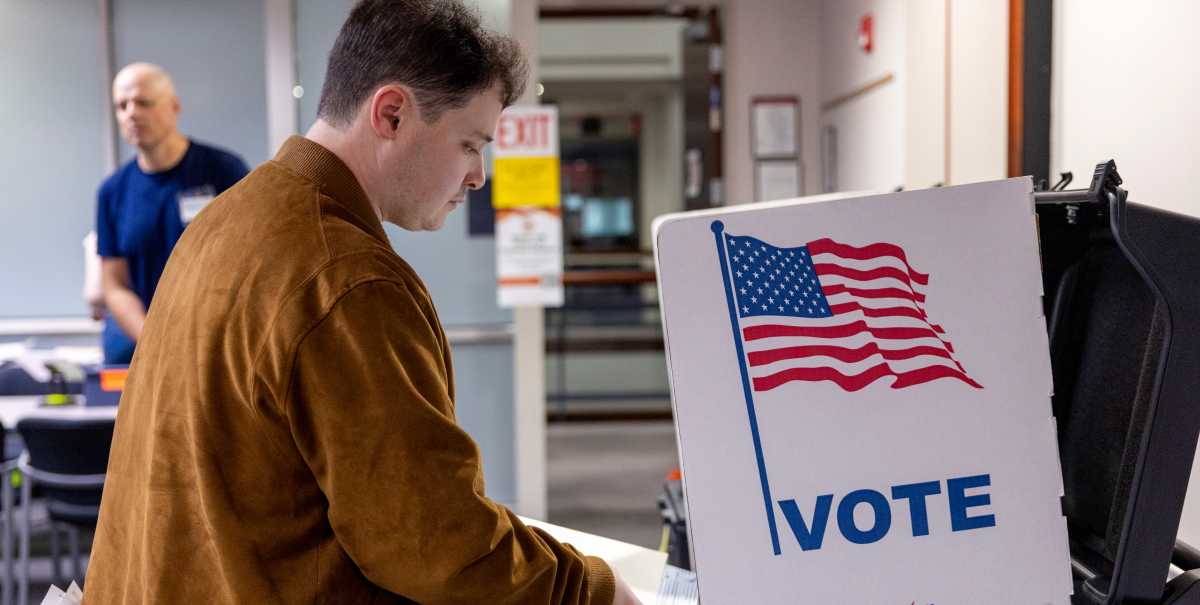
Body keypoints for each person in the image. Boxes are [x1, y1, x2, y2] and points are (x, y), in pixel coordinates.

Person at [85, 2, 642, 604]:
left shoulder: (227, 219)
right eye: (469, 144)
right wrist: (594, 591)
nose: (478, 176)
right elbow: (431, 544)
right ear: (393, 113)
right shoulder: (345, 279)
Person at [96, 62, 249, 364]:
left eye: (143, 102)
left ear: (174, 106)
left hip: (214, 345)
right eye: (122, 105)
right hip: (144, 348)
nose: (132, 113)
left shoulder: (223, 171)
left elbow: (250, 260)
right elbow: (114, 284)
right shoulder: (113, 191)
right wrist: (152, 341)